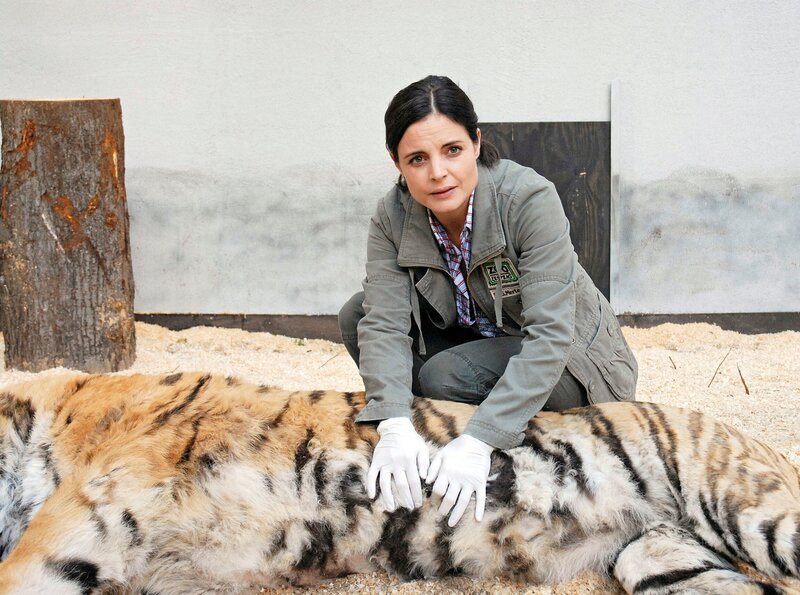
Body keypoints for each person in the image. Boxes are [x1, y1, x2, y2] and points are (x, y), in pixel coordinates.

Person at [338, 75, 638, 527]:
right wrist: (394, 422)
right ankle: (432, 434)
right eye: (417, 158)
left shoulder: (528, 199)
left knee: (445, 375)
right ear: (396, 162)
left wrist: (481, 440)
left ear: (476, 143)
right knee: (356, 313)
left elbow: (551, 335)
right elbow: (382, 322)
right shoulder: (392, 215)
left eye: (452, 150)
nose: (438, 172)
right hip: (481, 338)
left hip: (573, 363)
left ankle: (482, 436)